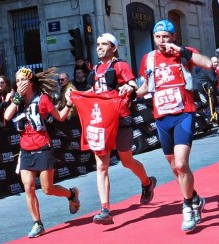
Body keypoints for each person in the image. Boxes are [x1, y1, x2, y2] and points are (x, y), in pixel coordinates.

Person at [136, 19, 211, 232]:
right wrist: (129, 92)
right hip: (162, 117)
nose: (162, 41)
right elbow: (145, 88)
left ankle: (187, 207)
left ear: (174, 36)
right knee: (175, 168)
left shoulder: (184, 53)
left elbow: (208, 64)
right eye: (158, 37)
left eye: (166, 37)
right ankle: (195, 198)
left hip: (183, 114)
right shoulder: (148, 58)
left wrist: (181, 51)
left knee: (180, 164)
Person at [82, 33, 156, 225]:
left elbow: (132, 83)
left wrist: (128, 88)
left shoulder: (120, 66)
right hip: (101, 122)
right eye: (98, 44)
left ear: (113, 48)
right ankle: (105, 209)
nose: (99, 47)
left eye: (104, 44)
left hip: (121, 119)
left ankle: (147, 182)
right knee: (102, 166)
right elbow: (93, 92)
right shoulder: (96, 68)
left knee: (127, 161)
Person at [3, 67, 80, 238]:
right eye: (17, 81)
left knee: (47, 188)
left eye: (23, 80)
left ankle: (72, 194)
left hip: (43, 147)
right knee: (28, 188)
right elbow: (7, 116)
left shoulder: (42, 99)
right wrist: (16, 99)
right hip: (25, 150)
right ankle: (37, 223)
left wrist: (68, 103)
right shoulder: (17, 101)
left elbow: (59, 117)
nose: (20, 83)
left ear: (30, 82)